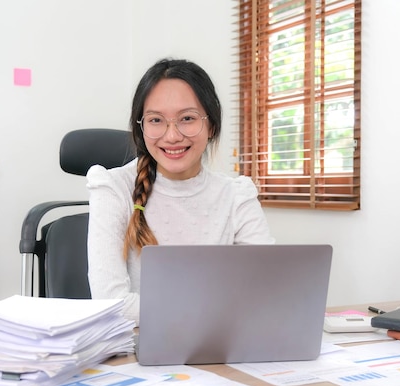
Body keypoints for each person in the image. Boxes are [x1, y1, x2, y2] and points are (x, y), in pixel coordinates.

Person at [86, 58, 274, 324]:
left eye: (187, 118)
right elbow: (110, 303)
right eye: (156, 120)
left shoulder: (237, 194)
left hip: (220, 344)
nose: (172, 135)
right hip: (139, 352)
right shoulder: (113, 189)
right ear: (141, 128)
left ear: (211, 126)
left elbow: (268, 288)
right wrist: (214, 307)